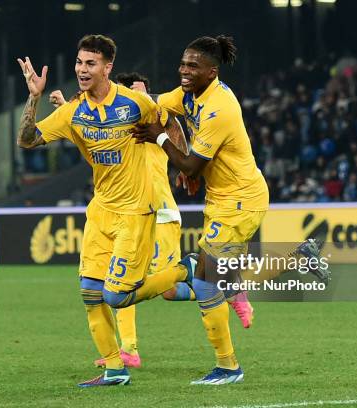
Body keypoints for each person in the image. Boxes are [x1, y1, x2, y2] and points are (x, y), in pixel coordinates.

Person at [133, 35, 329, 385]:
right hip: (224, 198)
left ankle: (228, 367)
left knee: (207, 281)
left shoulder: (220, 107)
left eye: (192, 66)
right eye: (182, 63)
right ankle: (299, 258)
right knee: (218, 278)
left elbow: (191, 165)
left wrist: (160, 138)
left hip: (241, 199)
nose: (184, 71)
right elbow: (154, 103)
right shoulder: (189, 92)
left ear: (211, 71)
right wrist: (110, 96)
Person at [16, 34, 191, 387]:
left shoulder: (134, 103)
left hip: (136, 212)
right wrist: (34, 97)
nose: (82, 69)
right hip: (100, 212)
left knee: (116, 295)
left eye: (90, 63)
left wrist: (185, 166)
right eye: (80, 62)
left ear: (107, 67)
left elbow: (170, 122)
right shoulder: (73, 112)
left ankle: (183, 270)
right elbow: (27, 139)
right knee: (90, 293)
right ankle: (115, 369)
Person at [49, 72, 194, 369]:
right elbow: (92, 129)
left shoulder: (152, 119)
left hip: (161, 211)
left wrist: (185, 159)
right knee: (121, 282)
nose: (136, 98)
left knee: (159, 289)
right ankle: (128, 349)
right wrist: (67, 106)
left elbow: (172, 122)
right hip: (128, 213)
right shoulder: (120, 123)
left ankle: (212, 283)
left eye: (140, 92)